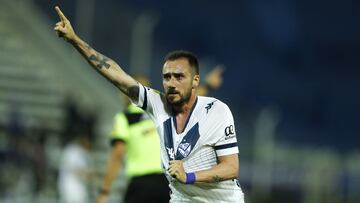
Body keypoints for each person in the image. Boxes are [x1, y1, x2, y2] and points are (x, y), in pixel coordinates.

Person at [54, 6, 245, 203]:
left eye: (179, 77)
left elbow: (231, 167)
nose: (171, 83)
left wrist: (189, 176)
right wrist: (75, 41)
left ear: (195, 80)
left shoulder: (217, 110)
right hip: (179, 197)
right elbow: (117, 75)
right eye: (167, 77)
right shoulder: (157, 104)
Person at [96, 69, 226, 203]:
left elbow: (118, 154)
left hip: (140, 185)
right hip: (166, 183)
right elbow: (189, 101)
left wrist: (105, 191)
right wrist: (208, 85)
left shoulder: (124, 118)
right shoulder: (162, 111)